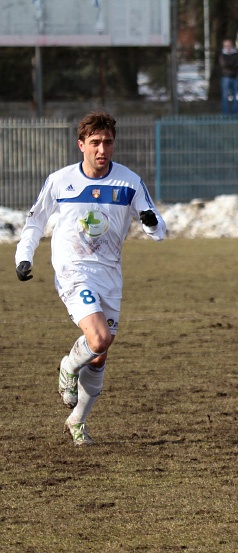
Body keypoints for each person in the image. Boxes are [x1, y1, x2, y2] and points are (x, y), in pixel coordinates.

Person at [14, 111, 167, 446]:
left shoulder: (128, 182)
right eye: (95, 142)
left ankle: (77, 421)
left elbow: (159, 232)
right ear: (81, 144)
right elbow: (35, 222)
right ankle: (68, 366)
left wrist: (150, 220)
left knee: (100, 355)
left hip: (109, 275)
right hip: (72, 270)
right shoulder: (60, 181)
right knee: (97, 339)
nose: (102, 149)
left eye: (108, 142)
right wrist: (23, 257)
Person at [220, 39, 238, 115]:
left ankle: (234, 112)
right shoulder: (222, 55)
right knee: (225, 97)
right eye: (226, 45)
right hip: (226, 77)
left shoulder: (236, 54)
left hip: (235, 77)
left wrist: (231, 65)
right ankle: (225, 113)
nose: (228, 47)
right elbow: (224, 65)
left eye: (229, 45)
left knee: (235, 96)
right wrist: (232, 65)